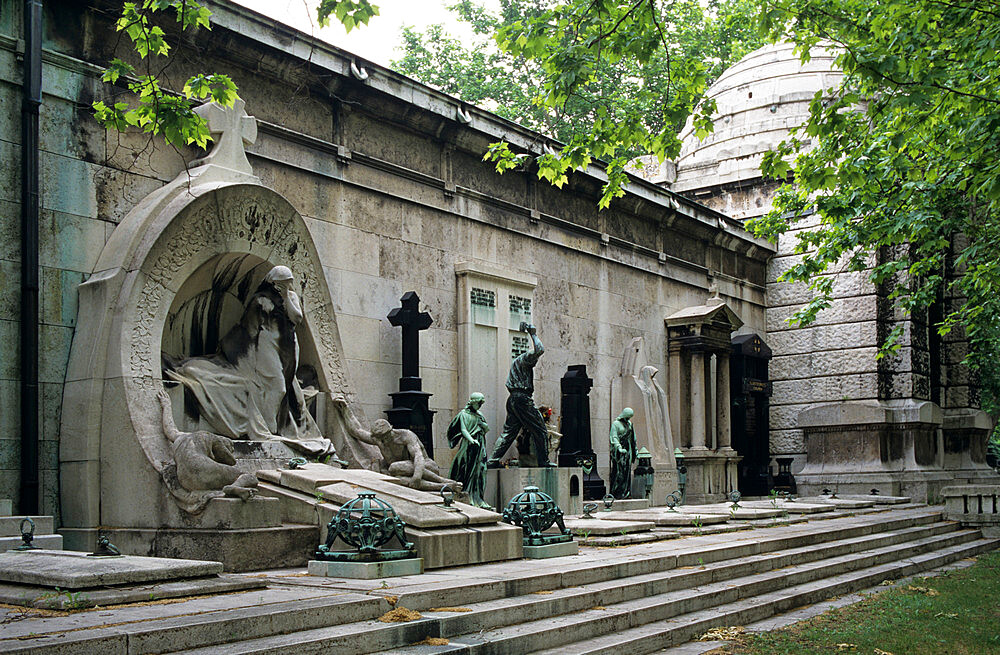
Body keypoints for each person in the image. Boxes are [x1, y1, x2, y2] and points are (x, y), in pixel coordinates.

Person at [164, 265, 334, 457]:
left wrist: (286, 294)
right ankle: (269, 430)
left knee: (283, 385)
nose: (284, 285)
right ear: (272, 282)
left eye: (287, 282)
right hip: (265, 348)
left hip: (288, 347)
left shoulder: (291, 297)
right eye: (280, 283)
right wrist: (240, 355)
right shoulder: (259, 299)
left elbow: (297, 317)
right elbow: (247, 329)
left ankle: (271, 427)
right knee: (278, 388)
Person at [333, 397, 463, 493]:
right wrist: (345, 409)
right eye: (381, 438)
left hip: (426, 467)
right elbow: (357, 431)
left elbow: (418, 456)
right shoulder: (380, 439)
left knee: (394, 468)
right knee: (395, 476)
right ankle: (444, 486)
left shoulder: (406, 435)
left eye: (385, 437)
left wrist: (417, 477)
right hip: (400, 472)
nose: (383, 441)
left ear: (390, 431)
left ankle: (441, 481)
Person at [487, 323, 556, 468]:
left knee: (508, 433)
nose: (535, 362)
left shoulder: (516, 363)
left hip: (512, 399)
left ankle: (493, 460)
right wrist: (533, 334)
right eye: (534, 360)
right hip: (522, 399)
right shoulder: (525, 359)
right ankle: (544, 462)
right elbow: (540, 349)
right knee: (541, 430)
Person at [447, 393, 492, 509]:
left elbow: (486, 429)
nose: (480, 406)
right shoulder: (463, 414)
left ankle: (479, 498)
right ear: (472, 402)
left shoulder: (479, 415)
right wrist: (471, 440)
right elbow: (463, 430)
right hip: (469, 446)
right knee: (468, 470)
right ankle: (468, 496)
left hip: (480, 445)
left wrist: (483, 425)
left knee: (481, 471)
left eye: (481, 404)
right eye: (478, 403)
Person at [609, 407, 637, 498]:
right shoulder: (616, 424)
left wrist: (635, 450)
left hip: (628, 450)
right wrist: (619, 447)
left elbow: (633, 438)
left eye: (630, 417)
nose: (628, 419)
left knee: (627, 471)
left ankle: (626, 492)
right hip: (619, 452)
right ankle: (616, 492)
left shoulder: (629, 424)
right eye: (627, 417)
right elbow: (614, 437)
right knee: (618, 472)